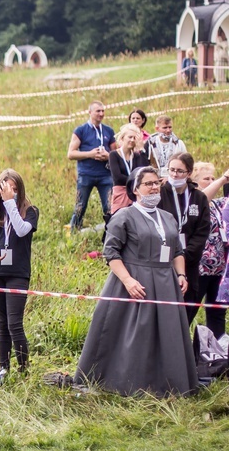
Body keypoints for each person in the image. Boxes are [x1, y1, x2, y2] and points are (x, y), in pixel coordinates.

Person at [76, 166, 198, 397]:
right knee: (135, 335)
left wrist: (181, 275)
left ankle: (169, 385)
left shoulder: (168, 217)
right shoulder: (124, 216)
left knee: (168, 334)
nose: (154, 187)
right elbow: (110, 253)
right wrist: (128, 281)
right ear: (135, 189)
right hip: (134, 282)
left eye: (156, 183)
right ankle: (126, 383)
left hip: (166, 282)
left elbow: (177, 251)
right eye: (148, 184)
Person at [0, 169, 38, 375]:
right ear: (0, 187)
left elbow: (22, 230)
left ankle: (24, 368)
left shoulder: (30, 210)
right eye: (7, 188)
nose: (11, 192)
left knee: (15, 323)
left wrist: (9, 203)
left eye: (15, 189)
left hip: (18, 272)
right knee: (2, 323)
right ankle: (3, 368)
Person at [157, 152, 210, 325]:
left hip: (190, 261)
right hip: (163, 260)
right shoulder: (159, 193)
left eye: (179, 171)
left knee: (189, 303)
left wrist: (185, 256)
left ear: (188, 173)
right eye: (171, 170)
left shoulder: (198, 197)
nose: (174, 174)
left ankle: (181, 341)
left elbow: (202, 232)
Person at [192, 162, 229, 340]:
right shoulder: (192, 200)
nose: (212, 181)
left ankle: (217, 352)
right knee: (189, 310)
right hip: (199, 268)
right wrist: (223, 179)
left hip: (219, 268)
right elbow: (202, 198)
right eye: (206, 178)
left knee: (217, 313)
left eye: (213, 178)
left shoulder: (217, 204)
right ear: (194, 181)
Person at [67, 101, 116, 230]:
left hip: (105, 175)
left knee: (110, 206)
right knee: (80, 206)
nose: (101, 114)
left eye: (103, 111)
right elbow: (71, 154)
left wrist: (107, 156)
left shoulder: (109, 131)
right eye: (98, 111)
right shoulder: (81, 130)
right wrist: (90, 154)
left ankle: (112, 232)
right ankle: (74, 233)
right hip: (86, 174)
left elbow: (116, 154)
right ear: (90, 112)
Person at [109, 124, 149, 215]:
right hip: (121, 194)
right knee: (119, 219)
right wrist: (135, 180)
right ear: (122, 138)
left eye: (134, 138)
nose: (132, 140)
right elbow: (117, 177)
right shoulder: (114, 155)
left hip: (135, 193)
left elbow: (143, 172)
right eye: (130, 137)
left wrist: (141, 149)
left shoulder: (136, 156)